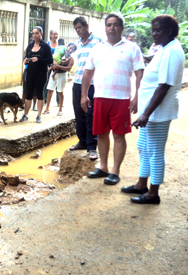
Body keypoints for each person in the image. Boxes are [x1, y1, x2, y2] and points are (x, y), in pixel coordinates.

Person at [120, 15, 185, 204]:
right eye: (153, 30)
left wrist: (146, 113)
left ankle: (153, 193)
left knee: (155, 151)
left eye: (157, 30)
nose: (154, 34)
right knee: (143, 146)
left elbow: (164, 86)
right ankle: (142, 184)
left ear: (169, 31)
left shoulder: (172, 51)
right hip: (150, 111)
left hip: (158, 112)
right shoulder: (165, 49)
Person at [81, 12, 144, 185]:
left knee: (119, 135)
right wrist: (84, 95)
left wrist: (137, 96)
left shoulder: (132, 48)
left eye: (115, 24)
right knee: (101, 134)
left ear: (122, 28)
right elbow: (87, 73)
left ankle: (115, 171)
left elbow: (140, 74)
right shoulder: (97, 48)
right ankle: (103, 167)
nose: (112, 28)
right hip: (100, 98)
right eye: (109, 25)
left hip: (121, 99)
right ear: (105, 27)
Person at [69, 16, 103, 160]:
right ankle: (82, 142)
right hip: (77, 82)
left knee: (91, 114)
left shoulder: (98, 41)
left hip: (92, 84)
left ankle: (91, 147)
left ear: (87, 26)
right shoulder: (79, 43)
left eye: (80, 28)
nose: (78, 31)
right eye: (76, 29)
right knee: (79, 114)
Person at [20, 26, 53, 124]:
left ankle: (39, 115)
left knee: (40, 94)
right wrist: (25, 60)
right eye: (33, 33)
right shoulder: (30, 46)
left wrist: (38, 59)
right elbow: (26, 57)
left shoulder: (45, 46)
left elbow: (50, 60)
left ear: (41, 34)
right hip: (30, 73)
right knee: (28, 94)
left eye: (37, 33)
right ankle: (25, 114)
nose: (35, 35)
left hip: (41, 73)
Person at [43, 43, 76, 117]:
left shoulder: (71, 58)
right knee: (50, 90)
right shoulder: (60, 54)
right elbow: (53, 61)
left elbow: (68, 68)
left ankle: (60, 109)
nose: (70, 50)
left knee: (60, 91)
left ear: (74, 51)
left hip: (62, 75)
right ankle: (47, 108)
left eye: (72, 49)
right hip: (53, 74)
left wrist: (59, 66)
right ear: (67, 47)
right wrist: (53, 66)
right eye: (70, 47)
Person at [44, 29, 59, 108]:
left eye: (56, 34)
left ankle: (59, 101)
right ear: (50, 35)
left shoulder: (60, 45)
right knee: (47, 83)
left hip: (58, 67)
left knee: (58, 84)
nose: (55, 36)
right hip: (48, 66)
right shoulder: (47, 44)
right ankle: (44, 100)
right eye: (54, 34)